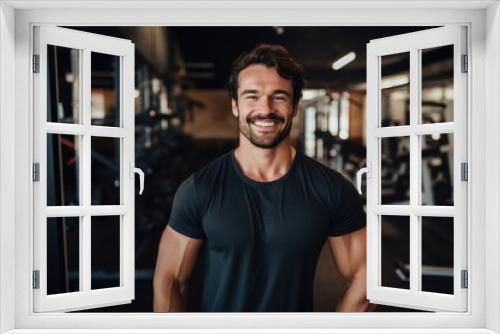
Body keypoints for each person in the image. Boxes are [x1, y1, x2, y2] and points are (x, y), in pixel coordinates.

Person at [153, 44, 373, 312]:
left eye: (279, 96)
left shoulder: (331, 189)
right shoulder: (200, 189)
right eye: (252, 96)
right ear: (235, 105)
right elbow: (170, 281)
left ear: (294, 107)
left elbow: (366, 278)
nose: (265, 108)